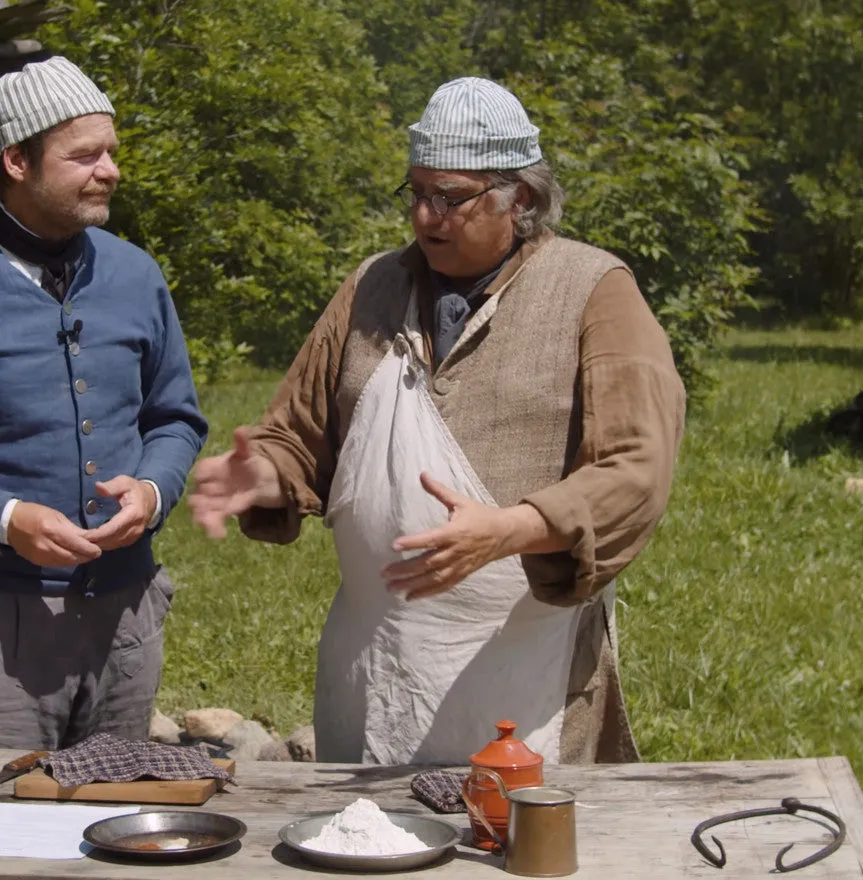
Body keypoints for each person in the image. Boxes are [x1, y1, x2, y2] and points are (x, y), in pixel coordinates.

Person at [189, 77, 685, 765]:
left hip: (526, 665)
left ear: (524, 200)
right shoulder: (371, 288)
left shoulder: (593, 291)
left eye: (451, 197)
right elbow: (297, 435)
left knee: (516, 852)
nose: (426, 217)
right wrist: (264, 473)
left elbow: (635, 468)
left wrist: (510, 530)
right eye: (416, 193)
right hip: (376, 666)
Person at [0, 57, 207, 749]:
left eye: (111, 151)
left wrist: (151, 490)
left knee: (115, 824)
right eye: (84, 155)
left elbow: (174, 417)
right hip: (7, 628)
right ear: (16, 161)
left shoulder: (134, 273)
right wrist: (7, 518)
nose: (110, 170)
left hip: (127, 616)